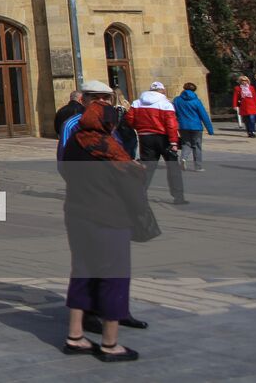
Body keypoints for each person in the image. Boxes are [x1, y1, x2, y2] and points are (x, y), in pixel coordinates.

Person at [60, 93, 148, 362]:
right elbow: (133, 186)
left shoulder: (74, 143)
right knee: (115, 277)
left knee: (82, 271)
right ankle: (110, 343)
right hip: (109, 218)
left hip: (76, 214)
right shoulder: (109, 149)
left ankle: (75, 336)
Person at [126, 83, 186, 205]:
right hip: (163, 137)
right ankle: (178, 196)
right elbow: (171, 124)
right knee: (173, 167)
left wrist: (139, 128)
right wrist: (174, 141)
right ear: (162, 91)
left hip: (145, 137)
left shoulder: (137, 103)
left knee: (147, 167)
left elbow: (129, 119)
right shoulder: (165, 104)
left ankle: (140, 194)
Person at [172, 83, 213, 172]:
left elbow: (173, 113)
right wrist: (210, 129)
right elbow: (204, 115)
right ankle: (198, 166)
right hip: (196, 126)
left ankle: (183, 158)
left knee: (186, 144)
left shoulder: (177, 100)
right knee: (197, 146)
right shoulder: (196, 101)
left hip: (182, 126)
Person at [110, 88, 138, 160]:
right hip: (130, 134)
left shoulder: (118, 108)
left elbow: (118, 121)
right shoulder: (127, 104)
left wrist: (112, 130)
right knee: (131, 156)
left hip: (123, 135)